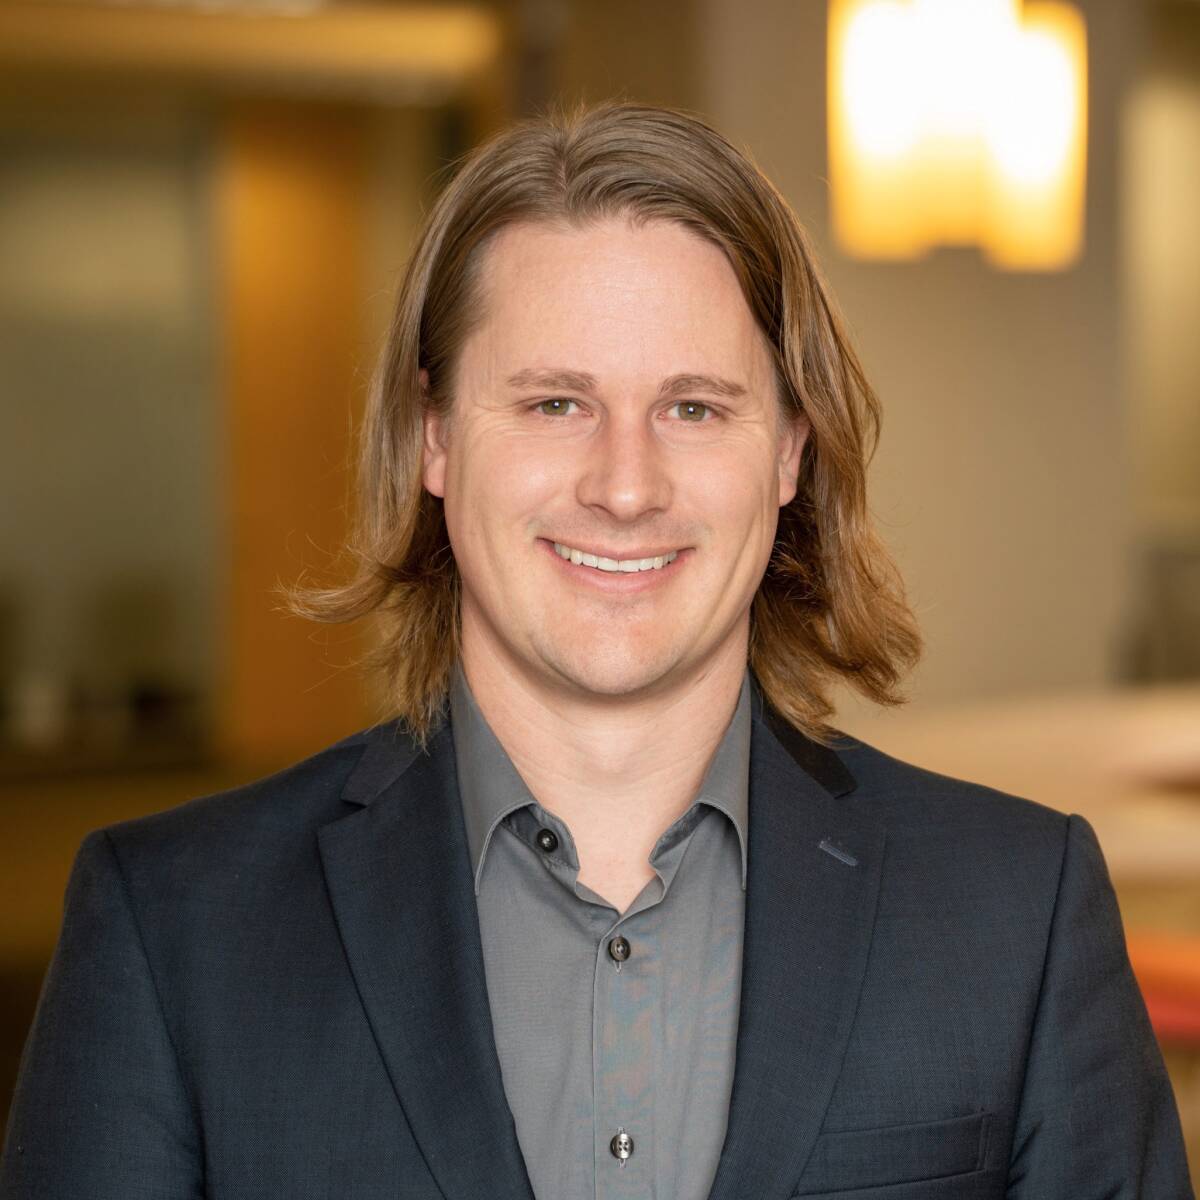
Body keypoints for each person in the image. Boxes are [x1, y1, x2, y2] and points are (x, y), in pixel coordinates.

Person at [1, 100, 1192, 1199]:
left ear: (790, 450)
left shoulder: (1018, 911)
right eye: (554, 404)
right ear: (433, 438)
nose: (626, 486)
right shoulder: (170, 930)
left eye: (694, 407)